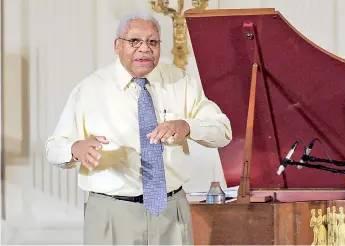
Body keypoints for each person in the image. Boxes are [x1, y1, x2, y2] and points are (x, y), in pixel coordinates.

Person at [45, 12, 232, 245]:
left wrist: (187, 126)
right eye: (134, 41)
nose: (145, 49)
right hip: (113, 213)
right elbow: (54, 147)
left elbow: (223, 130)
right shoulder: (90, 90)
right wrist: (75, 148)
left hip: (171, 211)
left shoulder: (180, 82)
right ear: (117, 46)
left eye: (152, 42)